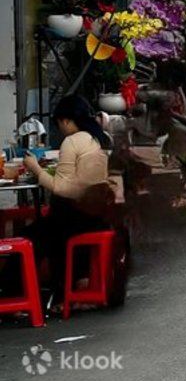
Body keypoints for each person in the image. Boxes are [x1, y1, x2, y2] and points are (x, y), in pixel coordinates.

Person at [0, 96, 114, 303]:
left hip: (75, 218)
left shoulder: (72, 141)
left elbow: (62, 188)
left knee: (30, 237)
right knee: (50, 230)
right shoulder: (99, 139)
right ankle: (74, 288)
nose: (61, 128)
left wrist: (35, 168)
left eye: (60, 124)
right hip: (96, 215)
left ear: (66, 120)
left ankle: (12, 297)